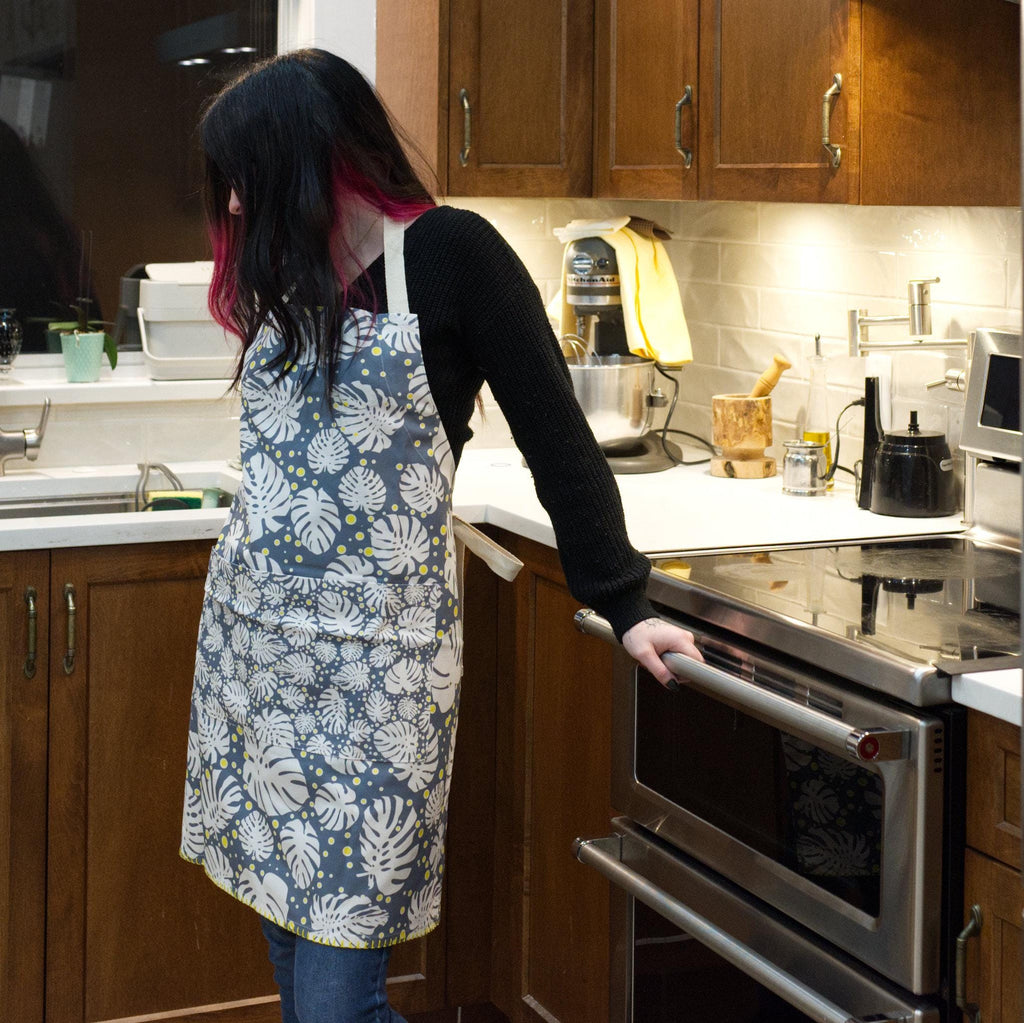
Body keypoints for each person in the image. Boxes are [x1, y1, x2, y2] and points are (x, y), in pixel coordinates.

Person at [180, 48, 702, 1023]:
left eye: (248, 181)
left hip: (376, 687)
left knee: (339, 1006)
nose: (237, 210)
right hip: (258, 666)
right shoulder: (289, 273)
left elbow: (555, 433)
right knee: (298, 983)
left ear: (308, 164)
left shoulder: (451, 256)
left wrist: (622, 601)